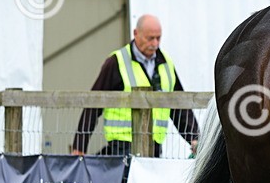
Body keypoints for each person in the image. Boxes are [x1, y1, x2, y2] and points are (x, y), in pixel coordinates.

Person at [70, 14, 201, 159]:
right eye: (150, 38)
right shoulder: (116, 62)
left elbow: (179, 106)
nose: (155, 43)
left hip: (153, 148)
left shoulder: (166, 64)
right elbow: (93, 105)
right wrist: (79, 146)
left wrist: (194, 138)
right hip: (121, 148)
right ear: (136, 34)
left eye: (158, 38)